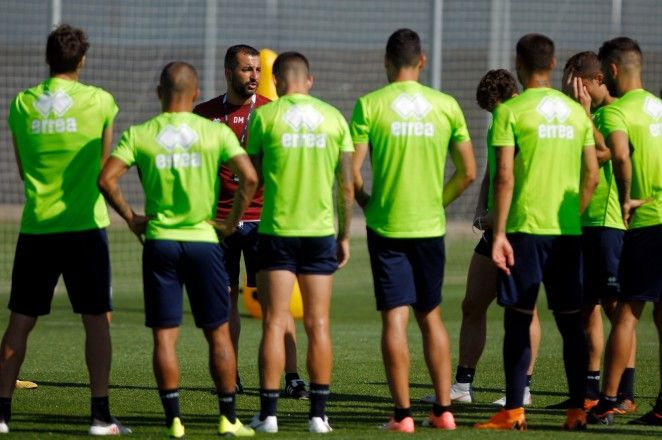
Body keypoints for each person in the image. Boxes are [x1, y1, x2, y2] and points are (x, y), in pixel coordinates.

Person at [98, 62, 258, 437]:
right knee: (218, 333)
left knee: (165, 336)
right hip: (204, 243)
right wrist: (230, 221)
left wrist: (132, 217)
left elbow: (106, 179)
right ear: (195, 91)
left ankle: (174, 420)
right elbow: (249, 177)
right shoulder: (212, 132)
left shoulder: (141, 133)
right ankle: (228, 418)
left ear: (159, 93)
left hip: (160, 243)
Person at [0, 24, 129, 436]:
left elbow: (23, 170)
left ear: (47, 57)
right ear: (83, 59)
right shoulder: (101, 101)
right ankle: (100, 417)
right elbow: (103, 167)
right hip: (85, 228)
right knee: (96, 322)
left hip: (37, 227)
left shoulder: (22, 104)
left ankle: (1, 415)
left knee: (20, 321)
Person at [351, 28, 475, 432]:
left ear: (387, 63)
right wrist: (436, 201)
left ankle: (402, 416)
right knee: (431, 317)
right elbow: (468, 172)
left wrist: (367, 203)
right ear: (421, 61)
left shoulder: (369, 105)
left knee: (394, 320)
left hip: (387, 225)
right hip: (428, 226)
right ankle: (444, 411)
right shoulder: (446, 106)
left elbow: (350, 174)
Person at [474, 33, 598, 431]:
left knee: (518, 318)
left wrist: (498, 234)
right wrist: (571, 217)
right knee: (569, 323)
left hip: (524, 231)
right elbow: (592, 175)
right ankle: (577, 411)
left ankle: (512, 411)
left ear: (519, 64)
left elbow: (504, 178)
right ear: (553, 62)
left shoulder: (511, 112)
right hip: (566, 233)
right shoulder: (577, 112)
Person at [246, 51, 353, 434]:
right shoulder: (334, 118)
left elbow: (251, 179)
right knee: (318, 323)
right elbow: (346, 186)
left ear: (275, 82)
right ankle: (318, 416)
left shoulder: (263, 116)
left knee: (275, 323)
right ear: (309, 80)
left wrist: (231, 219)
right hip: (320, 232)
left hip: (275, 231)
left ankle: (269, 416)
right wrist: (344, 234)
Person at [193, 44, 307, 399]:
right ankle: (232, 376)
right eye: (246, 70)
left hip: (264, 222)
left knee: (277, 304)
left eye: (257, 70)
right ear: (229, 73)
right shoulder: (204, 114)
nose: (254, 76)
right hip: (221, 224)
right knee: (226, 301)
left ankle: (292, 377)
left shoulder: (273, 112)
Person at [423, 69, 541, 408]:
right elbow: (495, 168)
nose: (493, 116)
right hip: (494, 229)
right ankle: (462, 385)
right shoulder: (500, 123)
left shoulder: (526, 122)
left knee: (524, 310)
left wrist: (495, 215)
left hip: (520, 227)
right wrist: (480, 203)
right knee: (472, 304)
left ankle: (525, 388)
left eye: (493, 109)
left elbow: (522, 179)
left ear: (505, 100)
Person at [547, 51, 637, 413]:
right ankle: (588, 389)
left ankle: (625, 394)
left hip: (608, 224)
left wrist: (583, 114)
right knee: (586, 309)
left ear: (597, 79)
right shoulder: (585, 115)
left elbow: (604, 155)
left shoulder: (614, 113)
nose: (572, 91)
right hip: (581, 223)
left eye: (577, 84)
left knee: (617, 310)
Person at [587, 37, 662, 426]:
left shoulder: (615, 114)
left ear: (614, 70)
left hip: (647, 223)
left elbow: (618, 155)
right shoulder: (660, 107)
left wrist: (629, 197)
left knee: (627, 313)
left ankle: (609, 401)